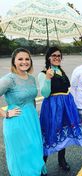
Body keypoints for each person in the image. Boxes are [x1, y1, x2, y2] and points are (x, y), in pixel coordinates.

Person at [0, 48, 47, 176]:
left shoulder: (31, 78)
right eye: (20, 59)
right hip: (17, 122)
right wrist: (6, 114)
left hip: (32, 120)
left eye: (27, 59)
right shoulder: (9, 79)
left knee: (34, 149)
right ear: (14, 61)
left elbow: (31, 99)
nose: (24, 62)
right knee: (22, 156)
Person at [38, 46, 82, 171]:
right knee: (49, 133)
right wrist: (48, 78)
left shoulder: (60, 70)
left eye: (59, 55)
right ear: (49, 57)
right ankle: (42, 166)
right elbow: (45, 93)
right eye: (54, 55)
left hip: (65, 106)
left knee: (64, 132)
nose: (57, 58)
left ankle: (61, 160)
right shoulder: (43, 73)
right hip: (52, 108)